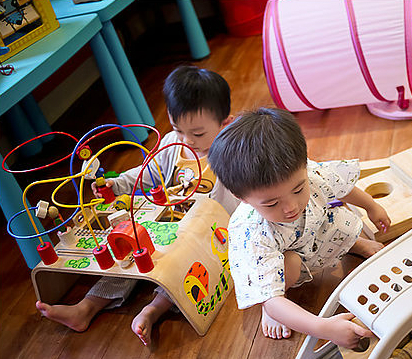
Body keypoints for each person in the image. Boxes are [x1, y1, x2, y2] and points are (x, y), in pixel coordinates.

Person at [36, 65, 239, 347]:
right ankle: (86, 308)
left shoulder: (231, 154)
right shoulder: (172, 145)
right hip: (165, 225)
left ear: (225, 124)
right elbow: (146, 174)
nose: (187, 141)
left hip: (205, 237)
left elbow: (243, 200)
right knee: (130, 254)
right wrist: (116, 183)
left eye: (198, 133)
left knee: (180, 269)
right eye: (178, 129)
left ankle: (152, 310)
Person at [207, 107, 391, 348]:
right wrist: (324, 327)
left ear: (304, 165)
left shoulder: (307, 173)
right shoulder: (251, 232)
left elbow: (341, 186)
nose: (291, 207)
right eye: (272, 203)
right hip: (284, 261)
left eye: (298, 189)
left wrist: (372, 206)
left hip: (314, 233)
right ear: (240, 197)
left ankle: (353, 244)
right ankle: (272, 305)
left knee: (339, 220)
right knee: (288, 268)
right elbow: (274, 299)